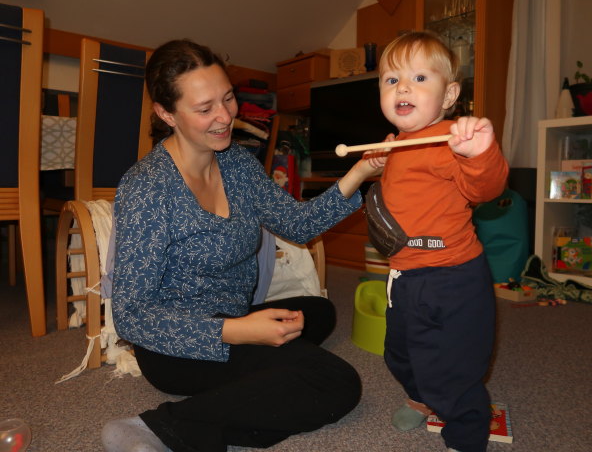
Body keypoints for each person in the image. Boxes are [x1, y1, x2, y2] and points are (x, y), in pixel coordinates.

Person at [101, 39, 382, 452]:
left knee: (318, 313)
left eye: (228, 98)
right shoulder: (146, 188)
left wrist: (362, 171)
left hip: (233, 314)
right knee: (336, 382)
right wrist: (239, 332)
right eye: (204, 108)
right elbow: (131, 317)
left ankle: (253, 389)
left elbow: (298, 224)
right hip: (178, 345)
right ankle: (161, 428)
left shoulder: (236, 162)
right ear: (166, 113)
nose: (224, 117)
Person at [371, 31, 509, 452]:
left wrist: (479, 152)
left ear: (449, 95)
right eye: (391, 80)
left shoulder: (451, 139)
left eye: (418, 78)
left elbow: (485, 189)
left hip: (452, 277)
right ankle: (419, 396)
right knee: (399, 350)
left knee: (453, 363)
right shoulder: (398, 143)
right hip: (406, 276)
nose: (404, 88)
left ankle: (467, 436)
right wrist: (376, 161)